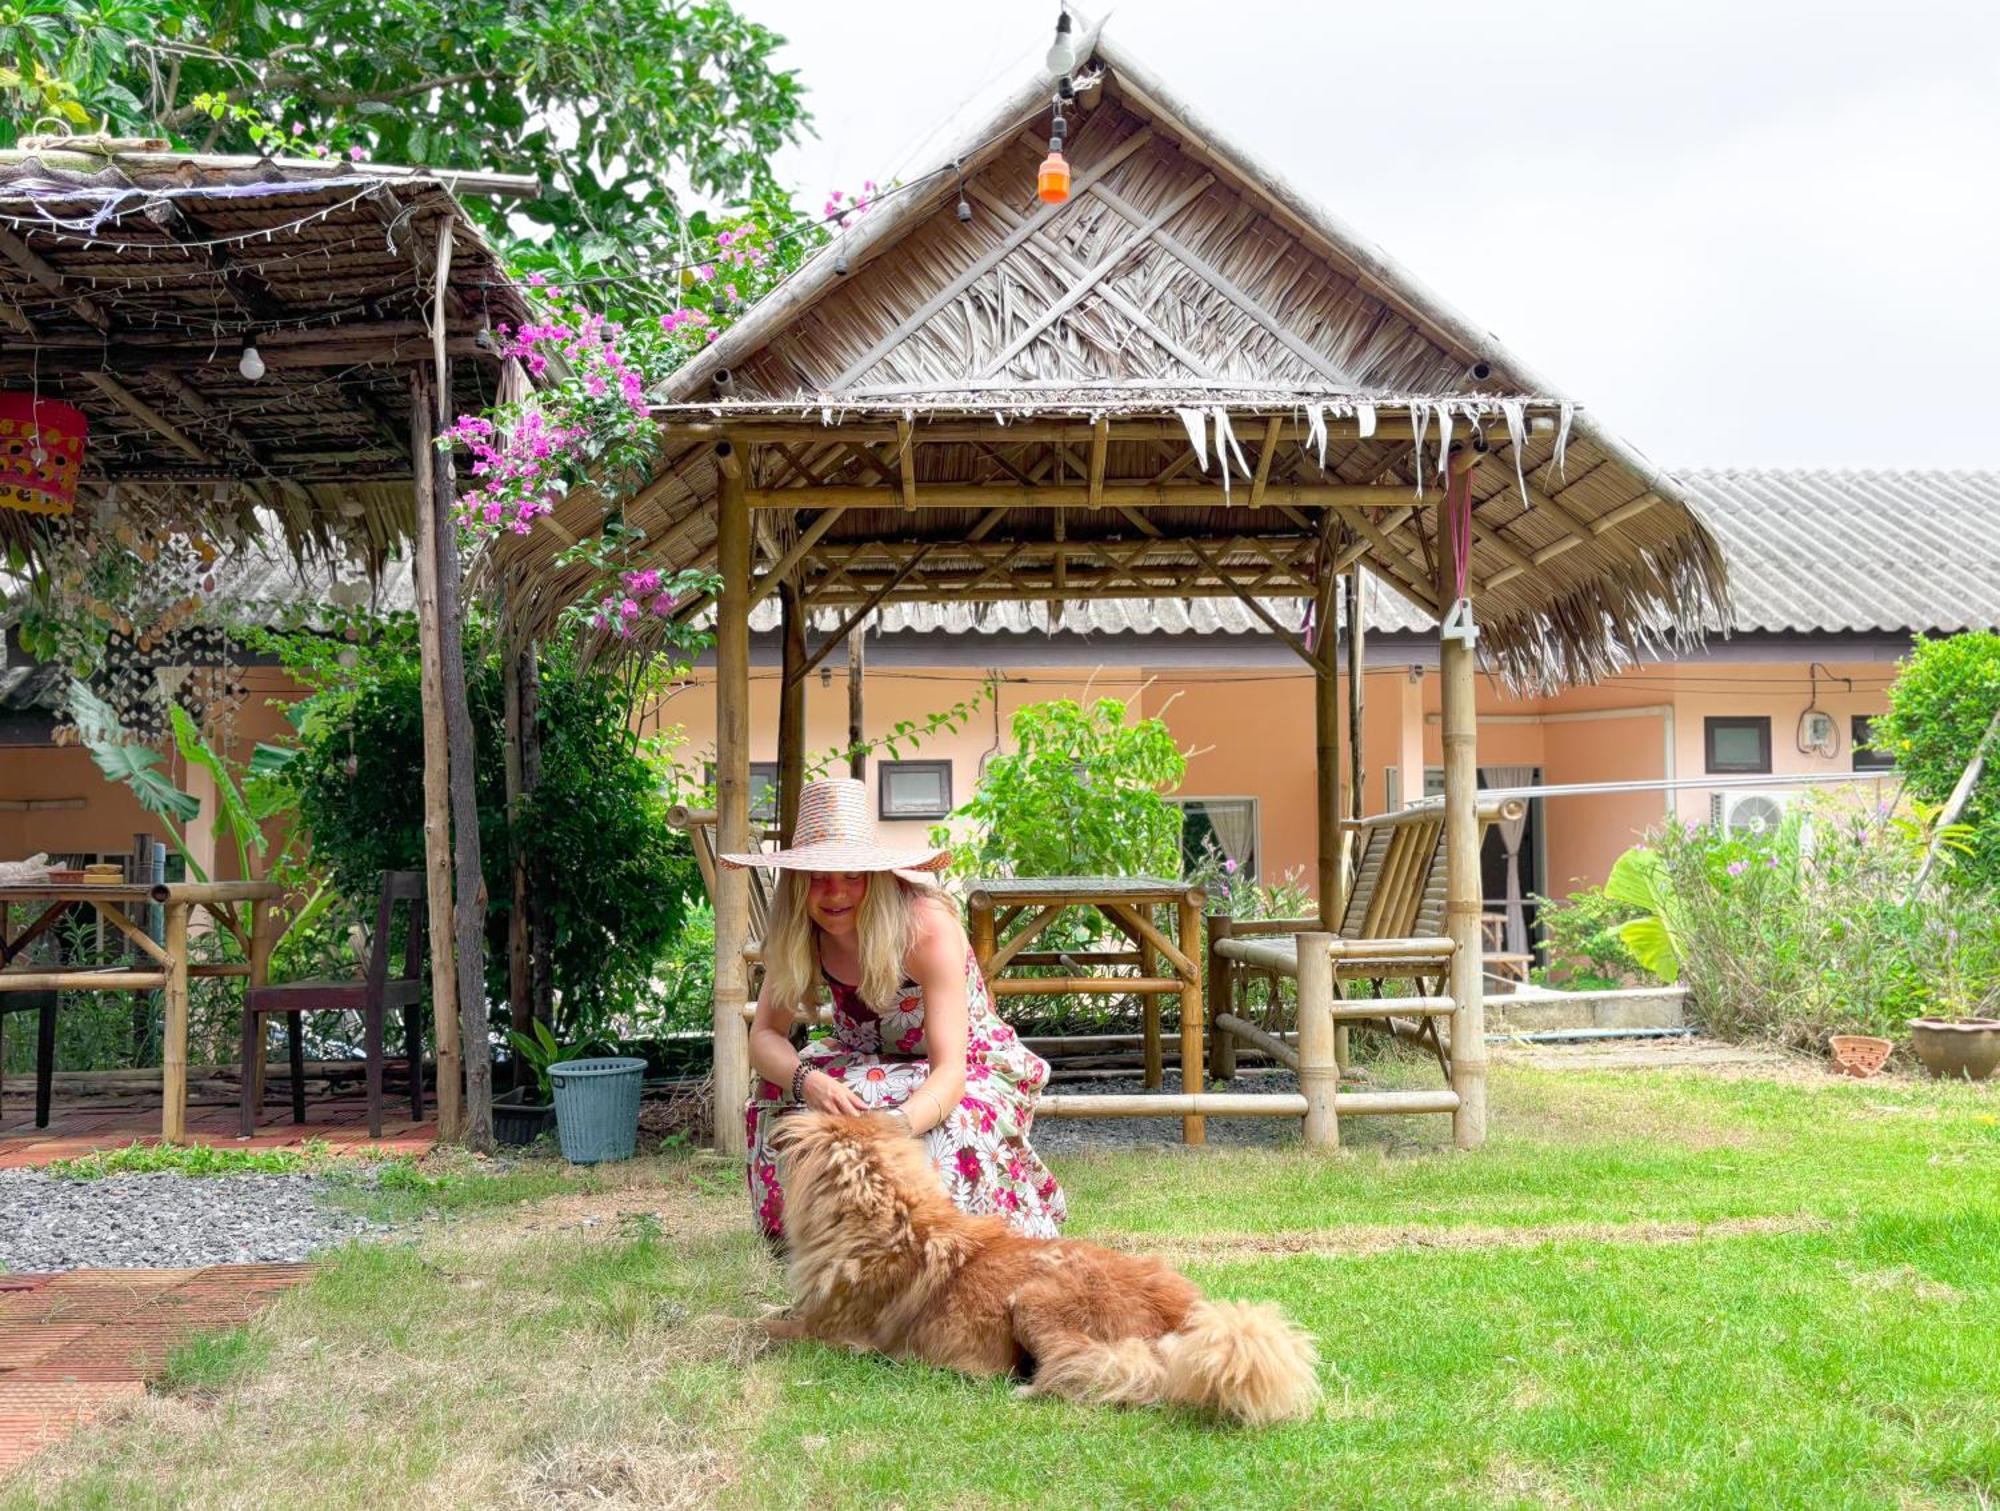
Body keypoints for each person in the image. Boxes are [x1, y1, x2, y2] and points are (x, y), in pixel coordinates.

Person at [727, 778, 1066, 1242]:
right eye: (818, 878)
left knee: (952, 1123)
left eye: (851, 875)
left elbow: (951, 1072)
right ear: (797, 884)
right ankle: (809, 1237)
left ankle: (951, 1239)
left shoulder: (926, 926)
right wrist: (809, 1081)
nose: (834, 893)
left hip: (965, 1064)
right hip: (866, 1060)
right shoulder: (798, 932)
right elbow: (764, 1037)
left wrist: (899, 1123)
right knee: (778, 1087)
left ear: (878, 876)